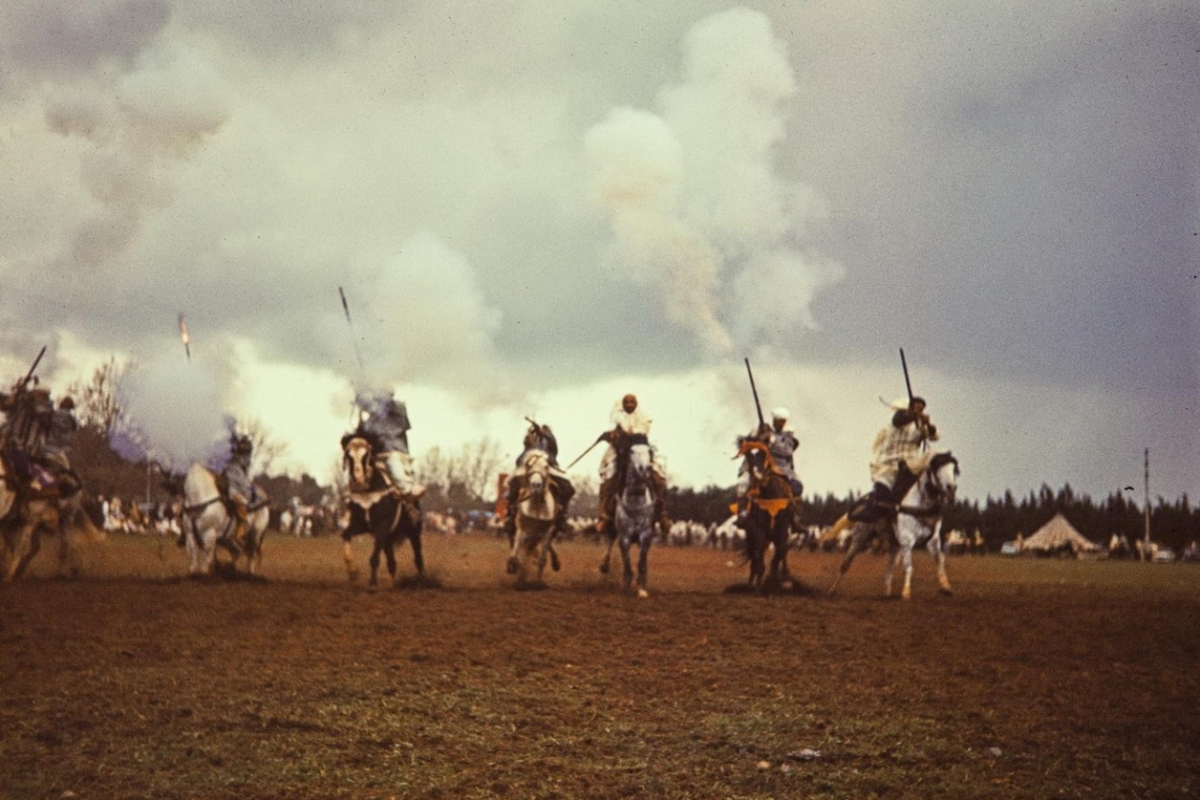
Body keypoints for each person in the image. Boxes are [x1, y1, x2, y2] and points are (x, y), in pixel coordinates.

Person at [596, 393, 670, 538]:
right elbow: (613, 430)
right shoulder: (616, 415)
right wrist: (609, 435)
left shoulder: (643, 416)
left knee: (658, 477)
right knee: (608, 479)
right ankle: (603, 517)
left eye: (632, 402)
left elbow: (641, 433)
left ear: (636, 403)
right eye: (626, 402)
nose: (629, 405)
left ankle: (662, 515)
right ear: (622, 404)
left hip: (640, 450)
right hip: (620, 453)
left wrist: (624, 435)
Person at [862, 395, 939, 516]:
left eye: (922, 409)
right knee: (881, 493)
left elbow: (934, 436)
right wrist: (913, 414)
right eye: (917, 408)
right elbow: (897, 420)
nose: (920, 411)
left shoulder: (919, 426)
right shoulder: (898, 420)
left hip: (911, 464)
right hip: (889, 465)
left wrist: (928, 424)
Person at [502, 420, 575, 542]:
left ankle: (561, 517)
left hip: (547, 466)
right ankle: (510, 515)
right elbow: (525, 446)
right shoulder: (531, 442)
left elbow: (553, 447)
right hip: (530, 466)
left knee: (567, 487)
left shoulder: (549, 439)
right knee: (513, 484)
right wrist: (530, 434)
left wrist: (543, 433)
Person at [735, 407, 803, 523]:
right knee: (742, 483)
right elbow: (745, 443)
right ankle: (742, 512)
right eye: (779, 420)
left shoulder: (787, 437)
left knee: (797, 487)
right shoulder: (763, 431)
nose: (781, 423)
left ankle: (795, 517)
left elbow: (787, 451)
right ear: (774, 420)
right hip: (760, 468)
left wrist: (771, 441)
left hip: (782, 470)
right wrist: (758, 435)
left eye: (783, 421)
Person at [355, 390, 424, 499]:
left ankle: (406, 489)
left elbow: (382, 406)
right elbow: (363, 432)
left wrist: (365, 401)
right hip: (376, 456)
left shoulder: (398, 408)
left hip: (394, 451)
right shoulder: (372, 419)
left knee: (393, 462)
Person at [223, 434, 256, 544]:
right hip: (226, 475)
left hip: (237, 484)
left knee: (237, 497)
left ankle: (242, 524)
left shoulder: (243, 458)